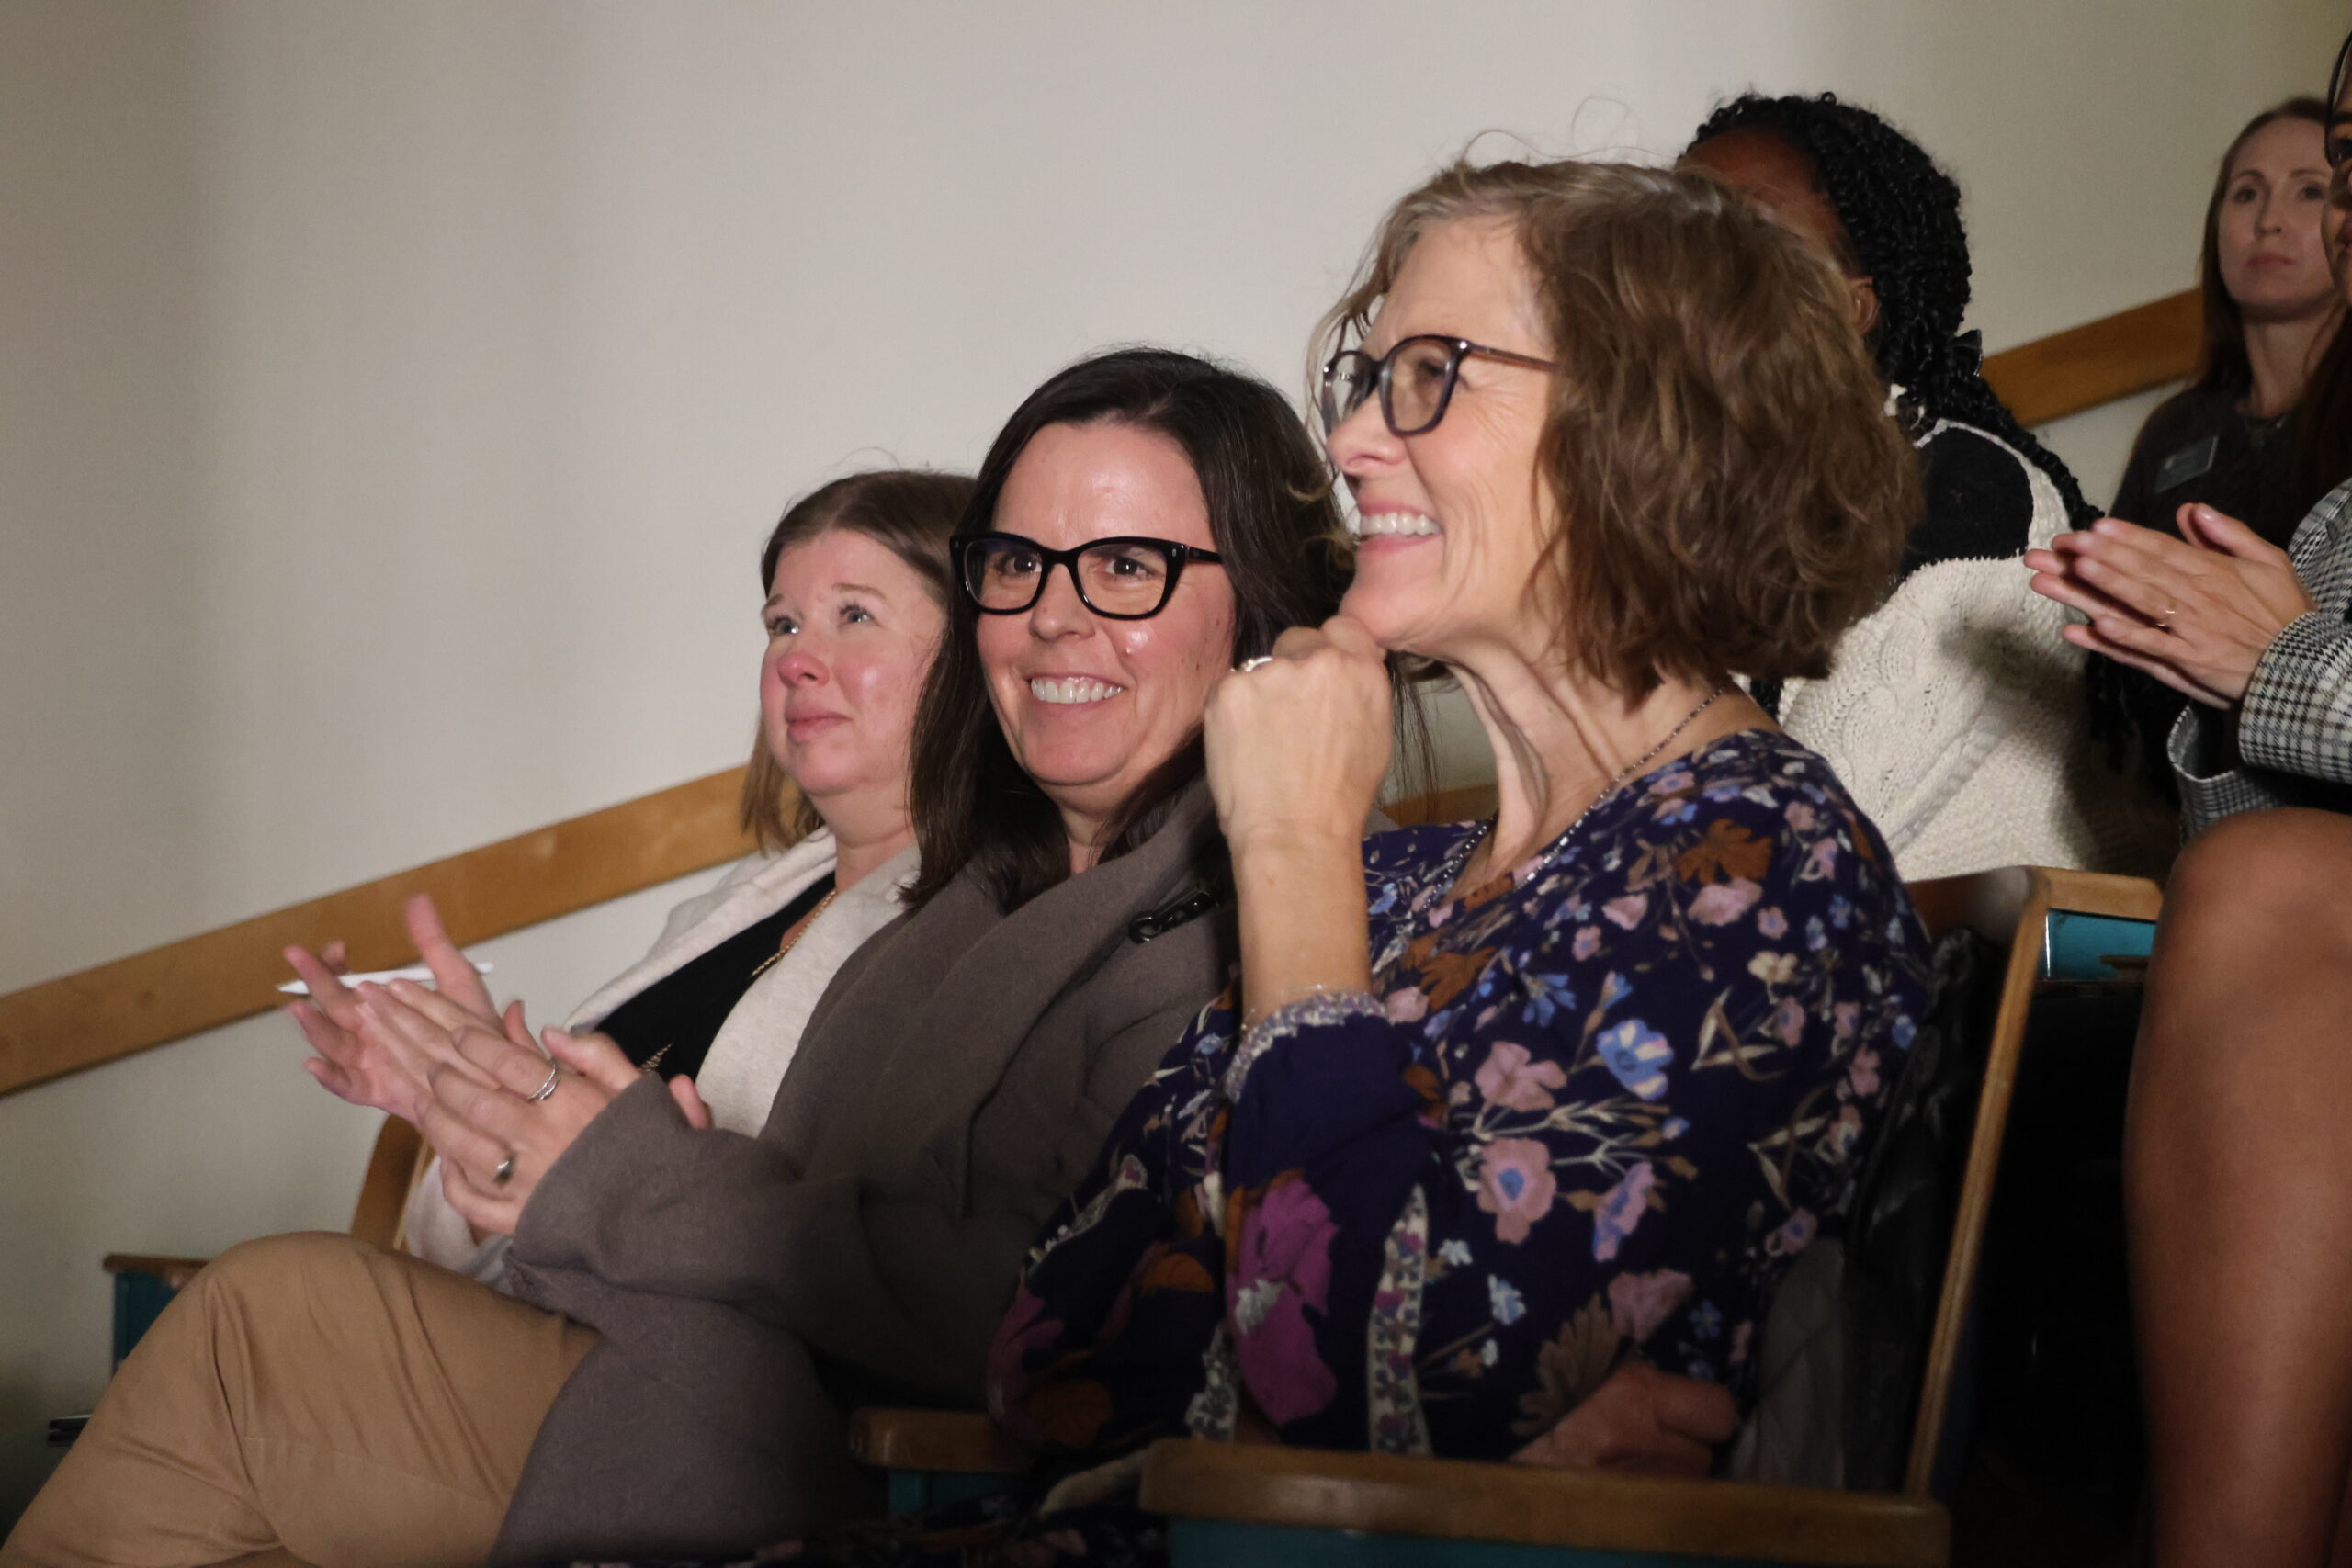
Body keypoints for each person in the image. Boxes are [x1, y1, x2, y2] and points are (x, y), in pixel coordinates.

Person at [762, 158, 1932, 1568]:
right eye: (1367, 380)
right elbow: (1048, 1338)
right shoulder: (1407, 884)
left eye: (1431, 374)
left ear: (1651, 422)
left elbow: (1353, 1368)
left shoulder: (1755, 868)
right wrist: (1385, 1424)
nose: (1360, 440)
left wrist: (1295, 843)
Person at [2, 347, 1352, 1566]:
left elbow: (1045, 1311)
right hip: (687, 1375)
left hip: (853, 1463)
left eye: (1126, 565)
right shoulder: (963, 907)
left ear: (1262, 607)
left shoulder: (1259, 910)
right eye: (1018, 563)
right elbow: (766, 1220)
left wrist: (626, 1170)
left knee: (265, 1323)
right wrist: (529, 1134)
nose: (1055, 615)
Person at [280, 468, 970, 1282]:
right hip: (548, 1340)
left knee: (269, 1296)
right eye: (782, 624)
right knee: (279, 1291)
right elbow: (463, 1249)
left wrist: (594, 1159)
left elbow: (834, 1261)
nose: (795, 661)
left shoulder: (982, 931)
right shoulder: (723, 910)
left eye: (854, 614)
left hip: (682, 1374)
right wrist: (468, 1083)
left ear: (977, 651)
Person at [2021, 34, 2352, 1567]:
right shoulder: (2188, 442)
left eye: (2330, 176)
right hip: (2211, 868)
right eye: (2275, 185)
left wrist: (2279, 659)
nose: (2310, 212)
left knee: (2257, 892)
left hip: (2260, 894)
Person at [1682, 93, 2123, 880]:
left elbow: (1796, 855)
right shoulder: (1690, 504)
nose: (1676, 259)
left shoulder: (1965, 492)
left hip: (1971, 980)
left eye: (1739, 227)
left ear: (1852, 305)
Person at [2098, 98, 2342, 811]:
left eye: (2309, 190)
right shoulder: (2176, 427)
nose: (2269, 219)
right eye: (2246, 193)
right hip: (2174, 798)